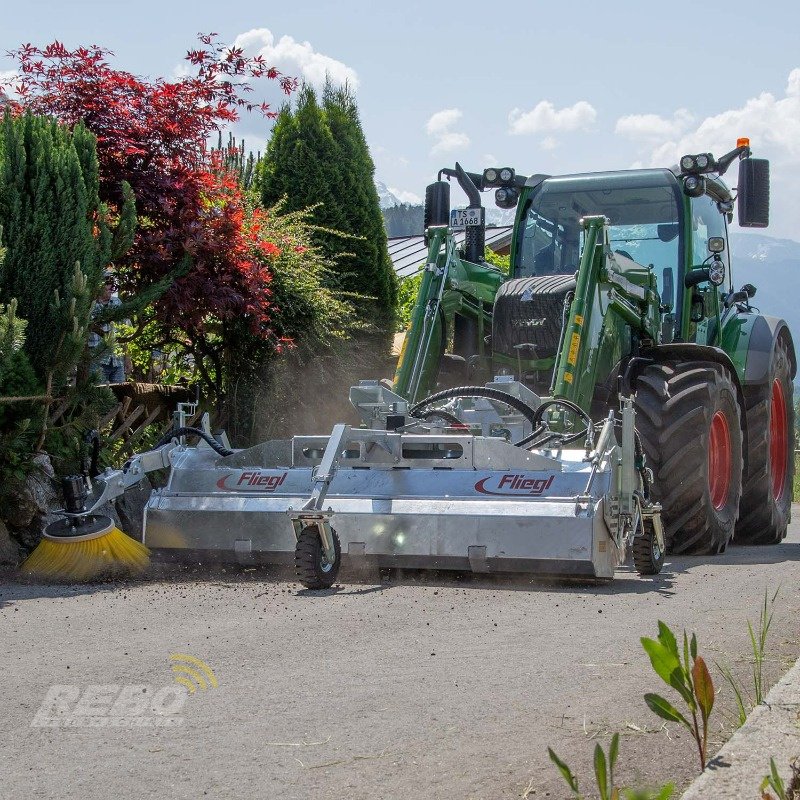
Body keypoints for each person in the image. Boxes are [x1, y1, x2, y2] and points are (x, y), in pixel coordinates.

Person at [89, 274, 126, 384]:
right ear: (99, 286)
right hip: (97, 361)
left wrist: (127, 358)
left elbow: (124, 333)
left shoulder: (117, 303)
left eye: (113, 284)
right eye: (108, 284)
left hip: (117, 361)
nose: (112, 287)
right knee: (99, 396)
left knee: (120, 396)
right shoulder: (90, 305)